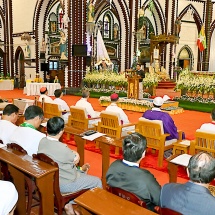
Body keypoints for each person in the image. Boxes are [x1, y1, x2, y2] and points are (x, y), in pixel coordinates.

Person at [38, 117, 102, 215]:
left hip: (50, 179)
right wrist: (77, 153)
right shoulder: (63, 148)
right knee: (97, 181)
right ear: (61, 131)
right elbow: (75, 159)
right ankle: (90, 211)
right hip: (64, 184)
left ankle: (68, 205)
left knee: (82, 173)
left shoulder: (42, 141)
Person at [106, 132, 161, 211]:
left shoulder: (113, 166)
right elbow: (159, 200)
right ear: (143, 153)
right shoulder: (146, 178)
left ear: (123, 149)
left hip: (117, 207)